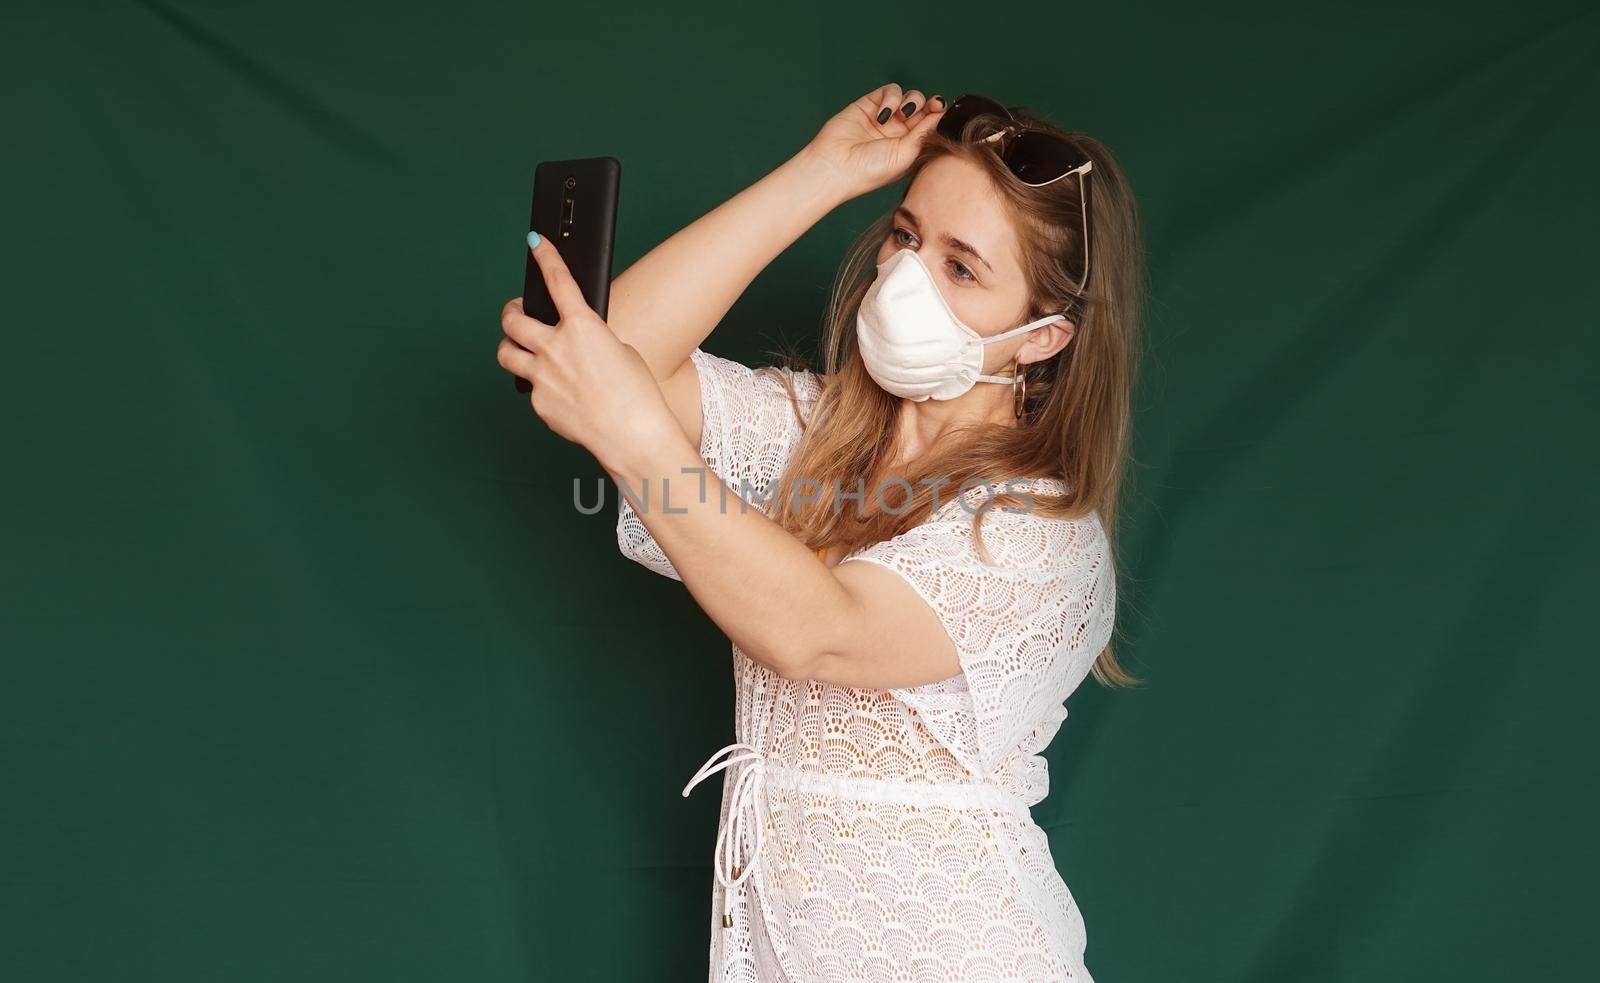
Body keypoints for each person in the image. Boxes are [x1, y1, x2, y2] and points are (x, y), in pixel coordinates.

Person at [497, 82, 1144, 983]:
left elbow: (816, 629)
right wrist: (819, 175)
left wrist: (633, 433)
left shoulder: (1039, 532)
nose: (907, 276)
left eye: (964, 267)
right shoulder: (815, 436)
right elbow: (602, 350)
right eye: (907, 237)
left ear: (1043, 338)